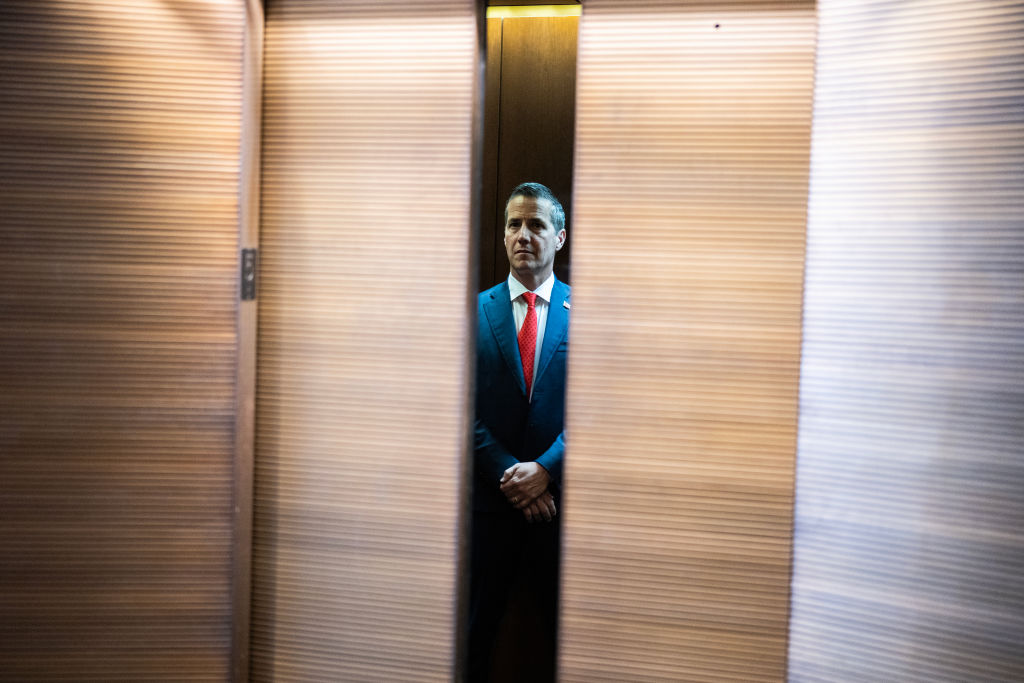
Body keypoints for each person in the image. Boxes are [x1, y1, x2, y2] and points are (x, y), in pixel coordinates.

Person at [468, 182, 569, 682]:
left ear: (560, 237)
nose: (523, 235)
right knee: (474, 644)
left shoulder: (588, 313)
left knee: (567, 649)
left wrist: (546, 470)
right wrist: (513, 475)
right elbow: (459, 406)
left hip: (563, 515)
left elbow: (600, 409)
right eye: (513, 224)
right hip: (490, 508)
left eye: (536, 225)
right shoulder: (472, 311)